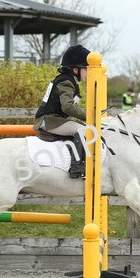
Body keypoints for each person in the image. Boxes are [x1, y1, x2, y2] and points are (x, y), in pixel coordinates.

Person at [34, 44, 90, 179]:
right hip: (49, 120)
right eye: (86, 69)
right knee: (84, 130)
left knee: (80, 127)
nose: (88, 72)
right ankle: (76, 167)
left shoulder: (66, 80)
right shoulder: (66, 81)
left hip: (52, 119)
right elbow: (68, 107)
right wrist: (89, 116)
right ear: (75, 68)